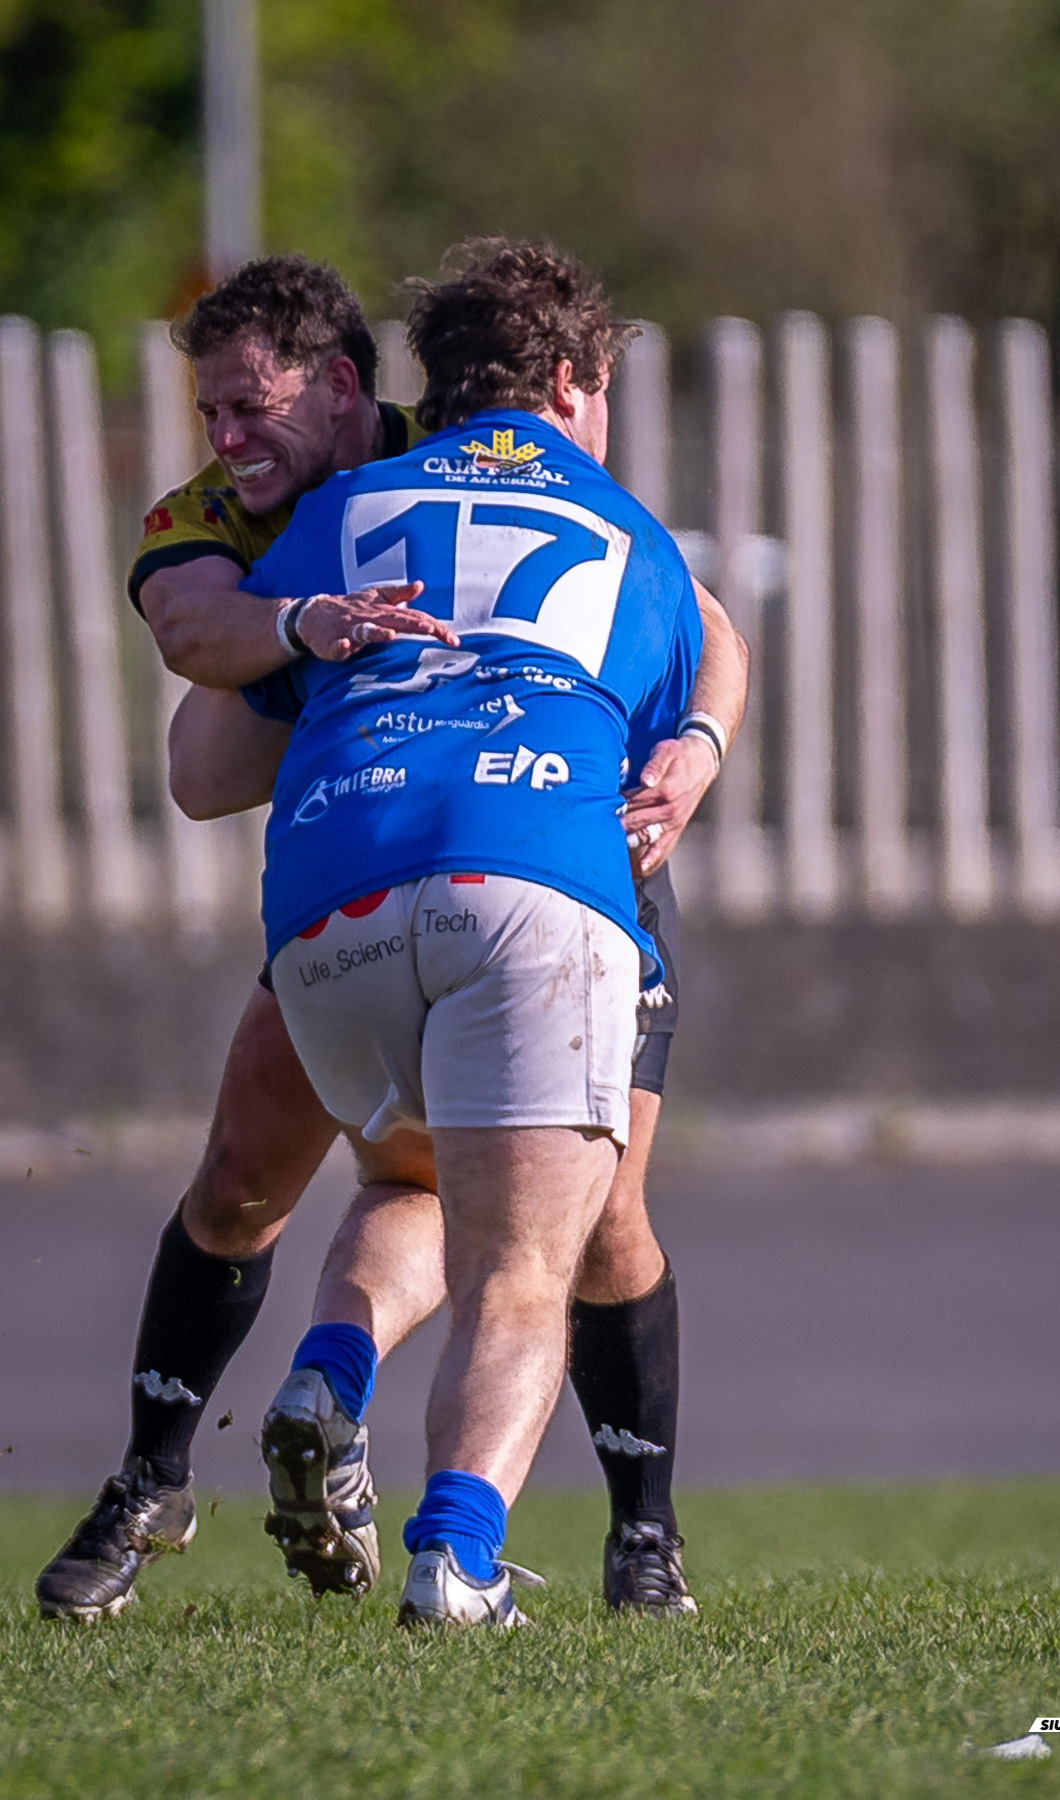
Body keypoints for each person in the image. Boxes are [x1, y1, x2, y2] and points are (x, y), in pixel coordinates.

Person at [35, 253, 747, 1621]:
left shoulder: (431, 462)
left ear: (353, 388)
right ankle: (167, 1480)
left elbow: (702, 627)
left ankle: (630, 1535)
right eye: (213, 416)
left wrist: (695, 747)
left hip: (473, 856)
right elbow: (194, 710)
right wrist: (316, 636)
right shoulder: (243, 511)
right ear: (573, 383)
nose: (229, 444)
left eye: (254, 410)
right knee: (267, 1174)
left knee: (582, 1220)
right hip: (432, 846)